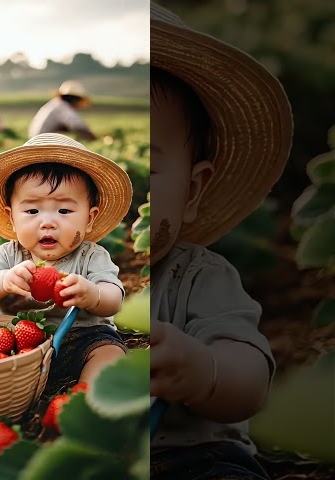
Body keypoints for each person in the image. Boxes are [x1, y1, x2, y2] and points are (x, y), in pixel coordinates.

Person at [149, 2, 293, 479]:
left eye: (143, 168)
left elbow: (250, 381)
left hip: (188, 458)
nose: (119, 189)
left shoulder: (196, 277)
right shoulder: (42, 274)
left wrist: (201, 370)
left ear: (191, 190)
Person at [0, 133, 133, 388]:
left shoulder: (91, 256)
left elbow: (113, 299)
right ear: (11, 217)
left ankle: (85, 399)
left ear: (89, 218)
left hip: (81, 339)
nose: (47, 222)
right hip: (19, 343)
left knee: (110, 354)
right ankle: (6, 397)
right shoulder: (9, 254)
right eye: (32, 211)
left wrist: (92, 295)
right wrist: (4, 279)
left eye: (64, 211)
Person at [28, 80, 97, 141]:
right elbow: (79, 127)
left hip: (36, 138)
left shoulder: (55, 104)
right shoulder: (63, 107)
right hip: (42, 140)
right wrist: (94, 139)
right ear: (75, 99)